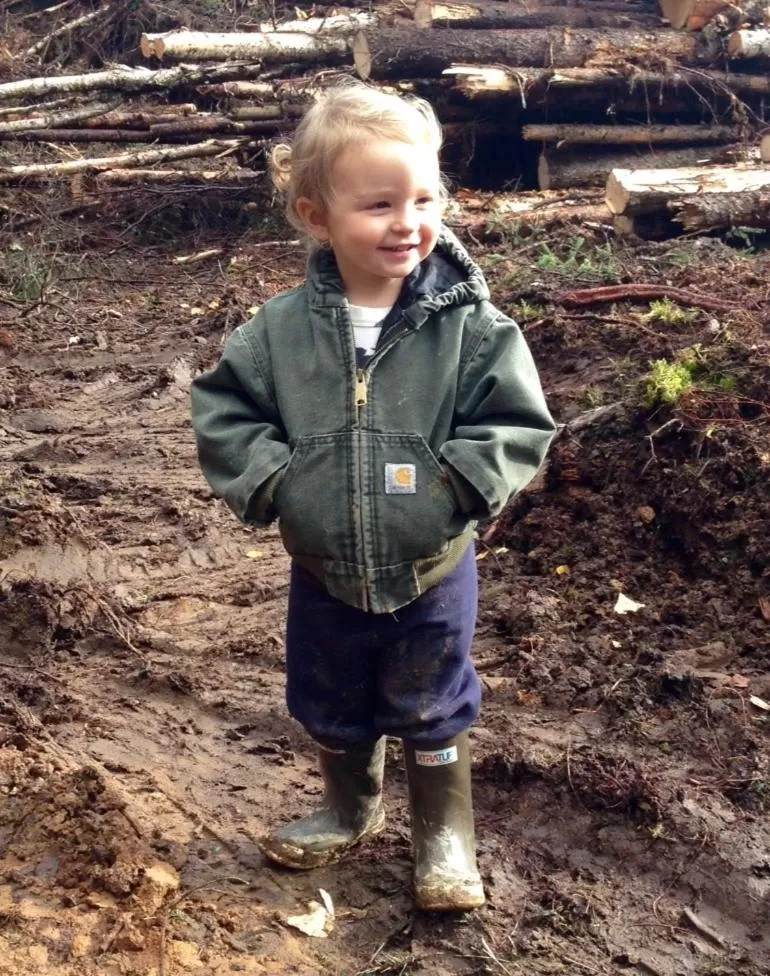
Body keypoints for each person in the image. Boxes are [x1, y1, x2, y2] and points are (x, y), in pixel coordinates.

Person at [190, 81, 556, 912]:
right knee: (330, 694)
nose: (408, 222)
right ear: (317, 216)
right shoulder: (277, 333)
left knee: (433, 702)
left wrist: (456, 486)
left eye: (425, 198)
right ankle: (347, 806)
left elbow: (514, 420)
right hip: (322, 569)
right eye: (380, 203)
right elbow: (226, 411)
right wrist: (280, 483)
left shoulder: (472, 326)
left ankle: (444, 839)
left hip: (431, 565)